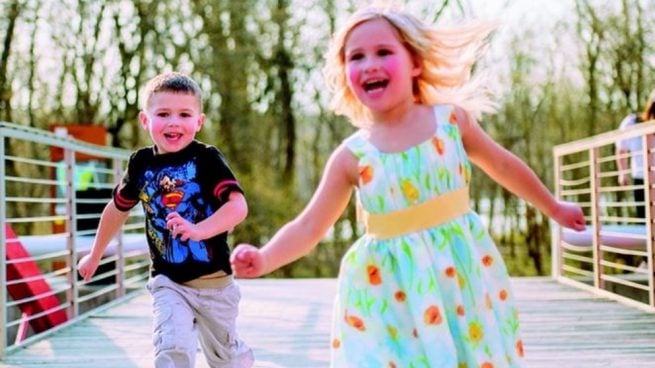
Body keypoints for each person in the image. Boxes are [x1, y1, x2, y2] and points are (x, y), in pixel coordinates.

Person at [231, 4, 585, 368]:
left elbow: (503, 165)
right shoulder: (352, 157)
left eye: (384, 52)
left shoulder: (451, 122)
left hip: (459, 272)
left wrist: (553, 207)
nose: (369, 64)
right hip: (389, 289)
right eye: (356, 57)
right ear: (345, 74)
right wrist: (265, 258)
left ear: (415, 62)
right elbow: (310, 226)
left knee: (472, 355)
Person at [78, 72, 254, 368]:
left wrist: (198, 230)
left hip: (215, 284)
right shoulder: (140, 164)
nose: (174, 122)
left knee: (226, 359)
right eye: (163, 114)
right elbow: (116, 209)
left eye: (184, 114)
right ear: (145, 121)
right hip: (168, 281)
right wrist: (95, 255)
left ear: (199, 121)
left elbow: (237, 206)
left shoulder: (207, 160)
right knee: (172, 347)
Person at [616, 89, 655, 219]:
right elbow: (621, 149)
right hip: (642, 178)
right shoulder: (632, 122)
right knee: (645, 218)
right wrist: (623, 172)